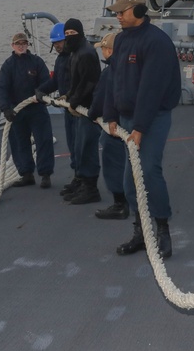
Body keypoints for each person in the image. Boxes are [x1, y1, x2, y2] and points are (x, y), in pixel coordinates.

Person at [103, 0, 181, 258]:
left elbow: (152, 89)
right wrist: (111, 114)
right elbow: (114, 79)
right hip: (126, 119)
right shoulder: (122, 40)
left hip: (151, 119)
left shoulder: (156, 42)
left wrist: (140, 128)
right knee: (130, 181)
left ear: (137, 11)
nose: (118, 17)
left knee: (149, 171)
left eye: (122, 12)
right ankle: (141, 231)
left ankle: (162, 230)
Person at [0, 32, 54, 188]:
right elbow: (2, 88)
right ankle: (26, 174)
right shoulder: (8, 66)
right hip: (17, 111)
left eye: (24, 43)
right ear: (13, 46)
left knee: (44, 141)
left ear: (28, 45)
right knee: (19, 143)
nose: (21, 46)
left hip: (37, 109)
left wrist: (41, 93)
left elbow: (46, 82)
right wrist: (6, 109)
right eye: (18, 44)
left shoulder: (37, 62)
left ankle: (45, 174)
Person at [59, 19, 102, 205]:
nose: (69, 37)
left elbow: (88, 82)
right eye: (66, 34)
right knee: (78, 146)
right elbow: (76, 82)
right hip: (79, 108)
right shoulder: (76, 52)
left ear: (80, 33)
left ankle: (91, 189)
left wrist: (74, 102)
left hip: (87, 110)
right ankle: (81, 181)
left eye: (72, 34)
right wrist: (68, 96)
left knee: (87, 148)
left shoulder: (86, 53)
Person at [87, 32, 128, 219]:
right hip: (128, 123)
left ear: (109, 50)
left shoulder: (108, 73)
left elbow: (100, 100)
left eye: (103, 48)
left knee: (113, 162)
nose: (102, 52)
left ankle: (120, 203)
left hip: (114, 128)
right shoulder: (128, 68)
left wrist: (91, 114)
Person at [36, 23, 78, 194]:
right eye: (55, 43)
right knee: (73, 145)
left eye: (60, 41)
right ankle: (78, 178)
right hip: (69, 110)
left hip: (79, 109)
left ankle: (85, 183)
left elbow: (82, 82)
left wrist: (70, 97)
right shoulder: (61, 59)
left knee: (81, 146)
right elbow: (56, 81)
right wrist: (41, 90)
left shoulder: (75, 57)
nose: (58, 45)